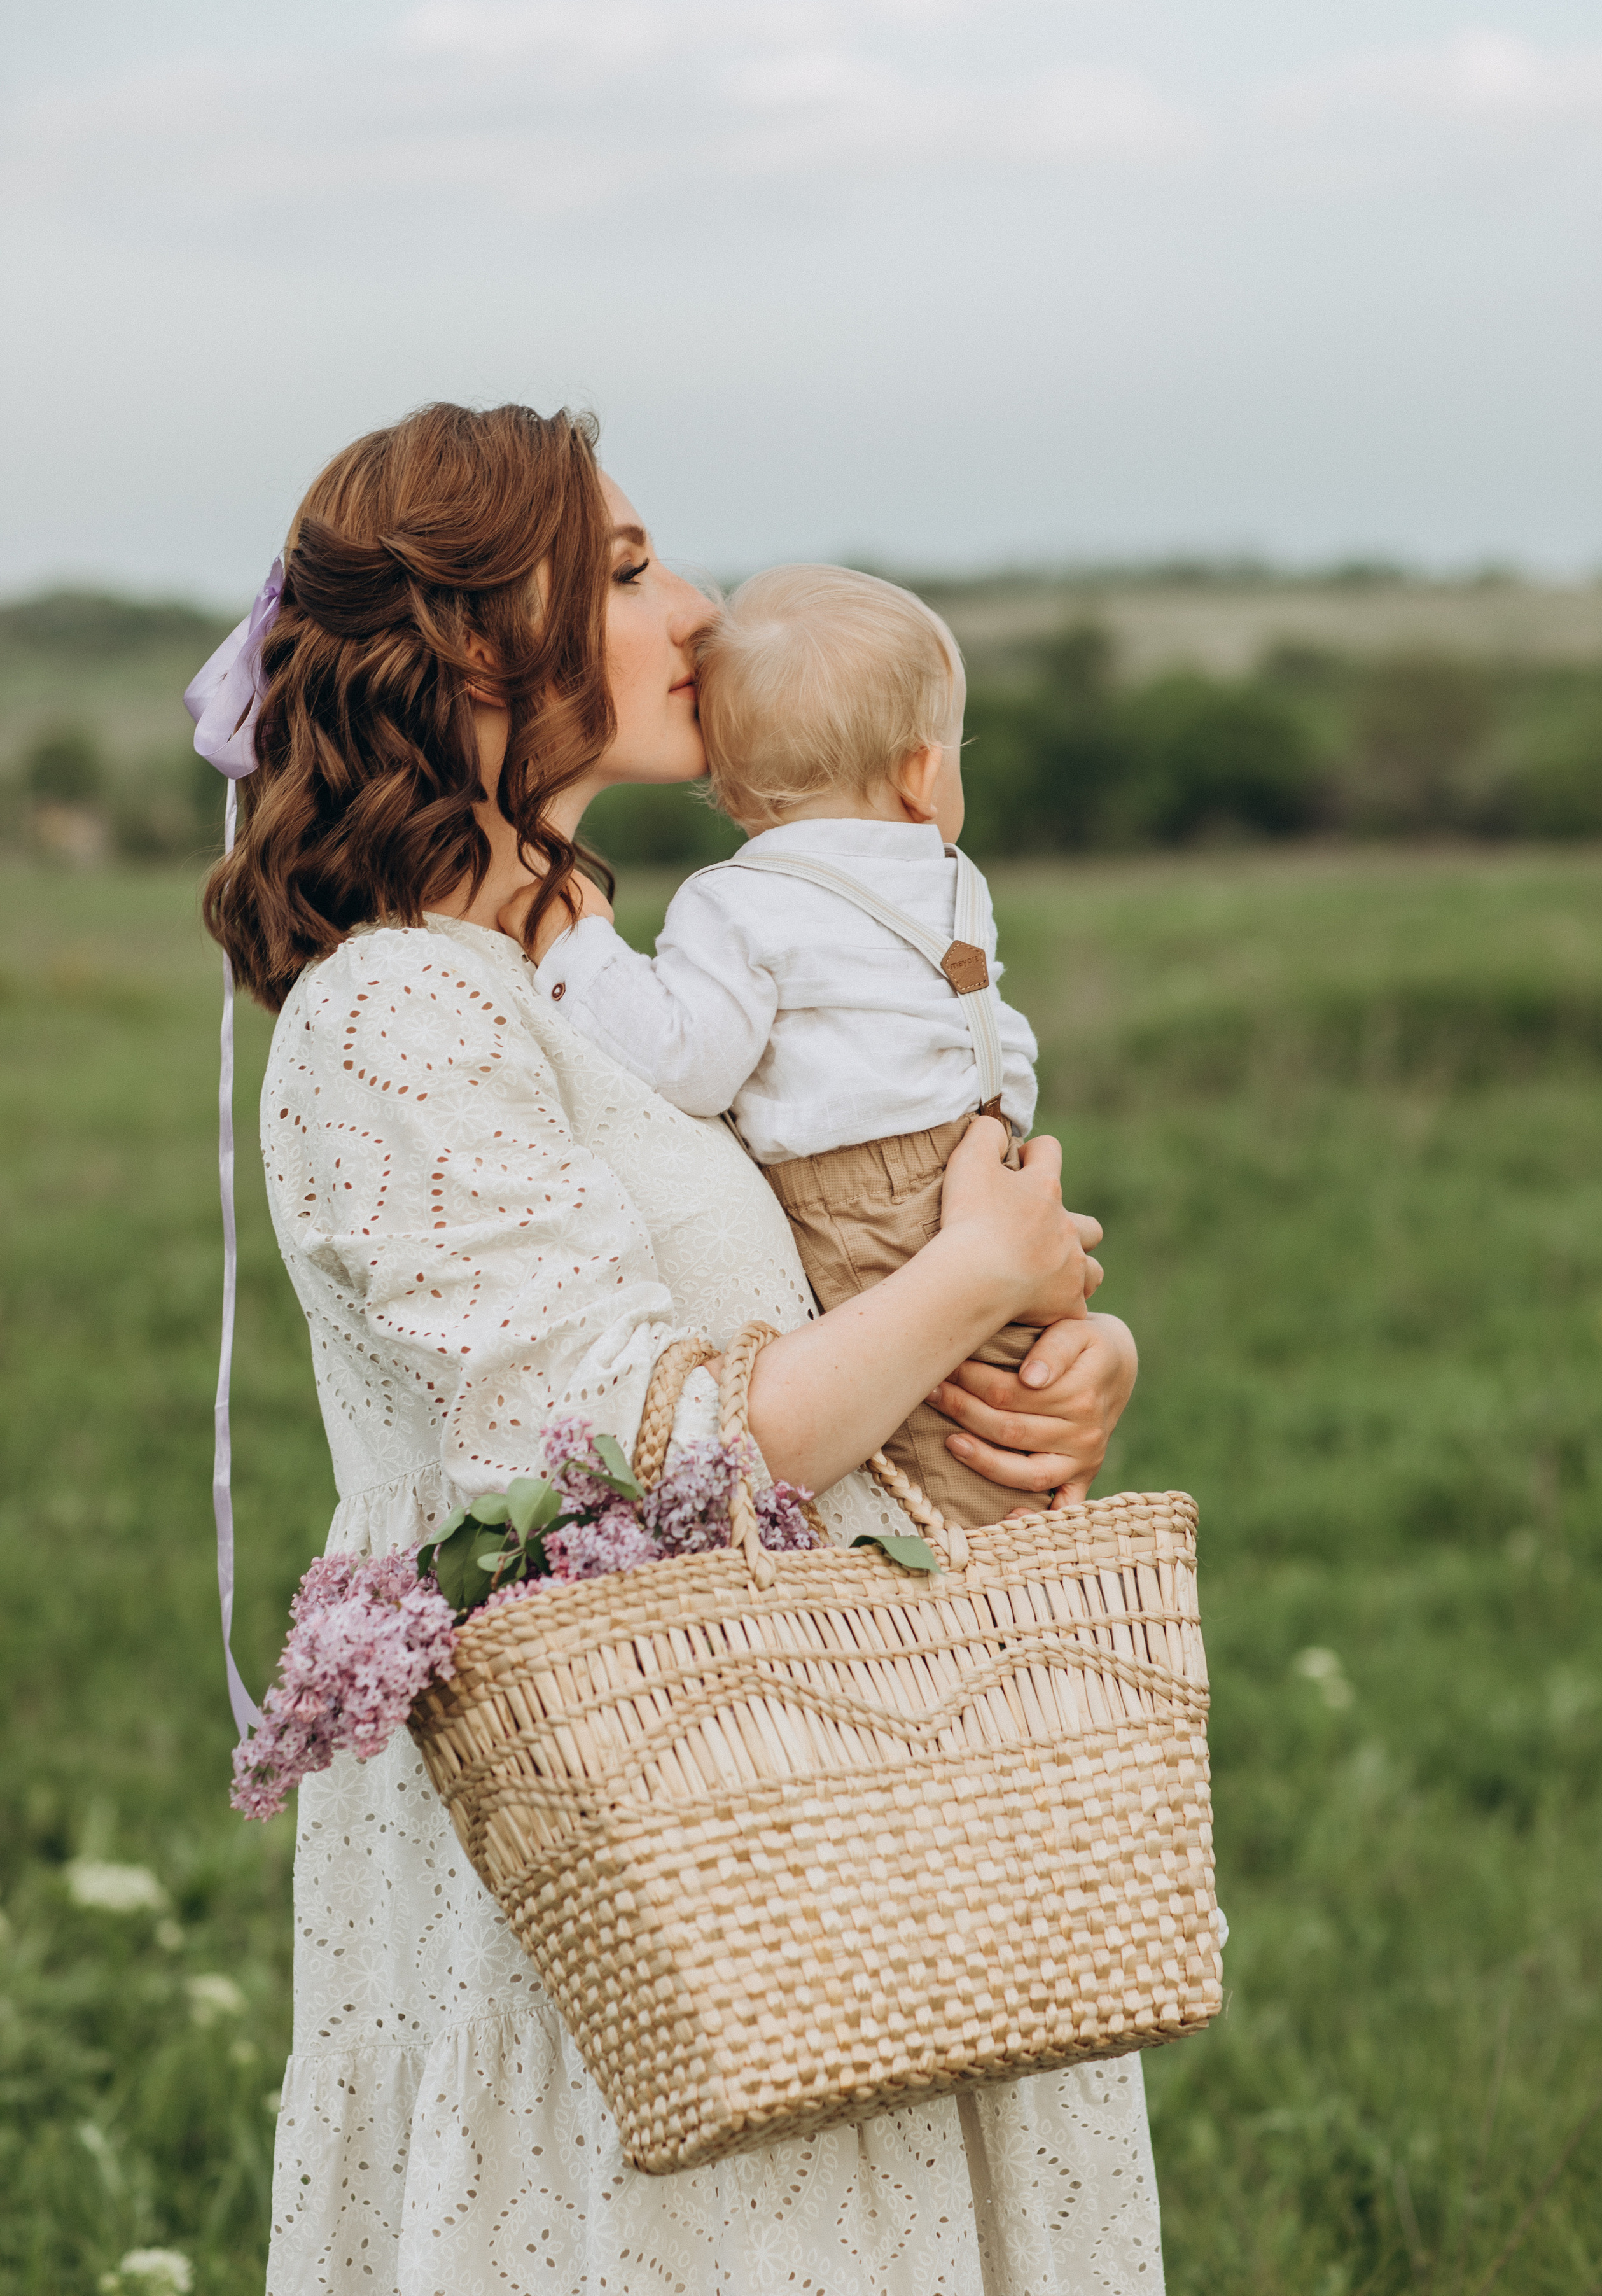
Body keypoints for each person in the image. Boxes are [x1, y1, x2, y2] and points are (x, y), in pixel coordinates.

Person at [204, 400, 1160, 2295]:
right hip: (623, 1855)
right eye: (633, 569)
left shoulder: (631, 1006)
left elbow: (814, 1314)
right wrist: (971, 1283)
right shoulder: (399, 1016)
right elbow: (652, 1457)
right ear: (484, 643)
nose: (700, 614)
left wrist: (1058, 1352)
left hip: (806, 1797)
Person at [534, 560, 1061, 1532]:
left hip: (855, 1198)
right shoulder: (954, 880)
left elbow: (688, 1057)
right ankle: (1041, 1572)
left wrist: (575, 951)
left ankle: (969, 1593)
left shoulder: (735, 899)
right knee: (1002, 1421)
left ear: (732, 794)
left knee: (918, 1448)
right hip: (988, 1160)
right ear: (919, 773)